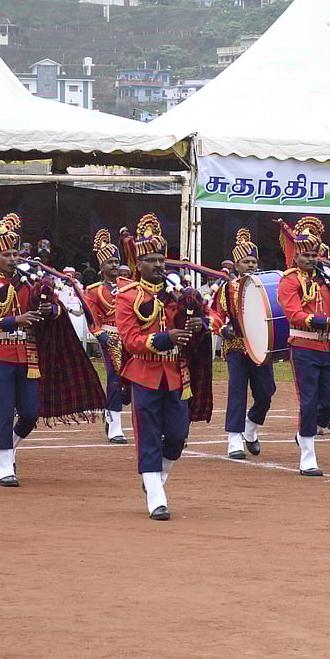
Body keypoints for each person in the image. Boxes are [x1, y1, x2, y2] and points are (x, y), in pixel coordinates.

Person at [116, 214, 205, 519]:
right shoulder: (128, 296)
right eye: (151, 260)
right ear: (138, 264)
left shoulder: (179, 293)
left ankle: (157, 478)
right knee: (149, 434)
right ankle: (156, 496)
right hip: (144, 372)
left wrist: (200, 324)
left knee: (178, 435)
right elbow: (130, 340)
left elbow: (205, 318)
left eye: (161, 260)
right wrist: (167, 338)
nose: (158, 265)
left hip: (176, 374)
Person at [0, 213, 60, 487]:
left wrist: (49, 309)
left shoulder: (31, 282)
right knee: (4, 412)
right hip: (1, 353)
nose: (12, 259)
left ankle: (8, 447)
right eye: (6, 255)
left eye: (15, 254)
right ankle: (4, 465)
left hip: (29, 353)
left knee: (31, 413)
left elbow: (56, 308)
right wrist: (16, 320)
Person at [276, 216, 330, 477]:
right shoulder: (289, 280)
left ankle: (305, 432)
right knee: (308, 400)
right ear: (296, 256)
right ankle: (308, 457)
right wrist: (326, 321)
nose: (311, 259)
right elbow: (294, 314)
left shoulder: (328, 278)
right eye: (306, 255)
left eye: (314, 255)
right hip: (303, 345)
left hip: (329, 347)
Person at [209, 229, 276, 460]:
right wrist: (221, 329)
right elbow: (215, 314)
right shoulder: (227, 288)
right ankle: (234, 439)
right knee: (237, 391)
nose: (251, 265)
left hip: (261, 346)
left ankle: (251, 425)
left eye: (254, 261)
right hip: (236, 346)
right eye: (246, 261)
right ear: (236, 265)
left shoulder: (263, 285)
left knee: (267, 391)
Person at [84, 230, 130, 444]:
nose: (114, 265)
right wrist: (102, 337)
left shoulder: (129, 286)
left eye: (116, 262)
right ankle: (115, 427)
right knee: (115, 380)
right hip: (110, 337)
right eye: (110, 262)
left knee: (134, 381)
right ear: (101, 266)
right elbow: (92, 320)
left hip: (131, 337)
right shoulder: (93, 291)